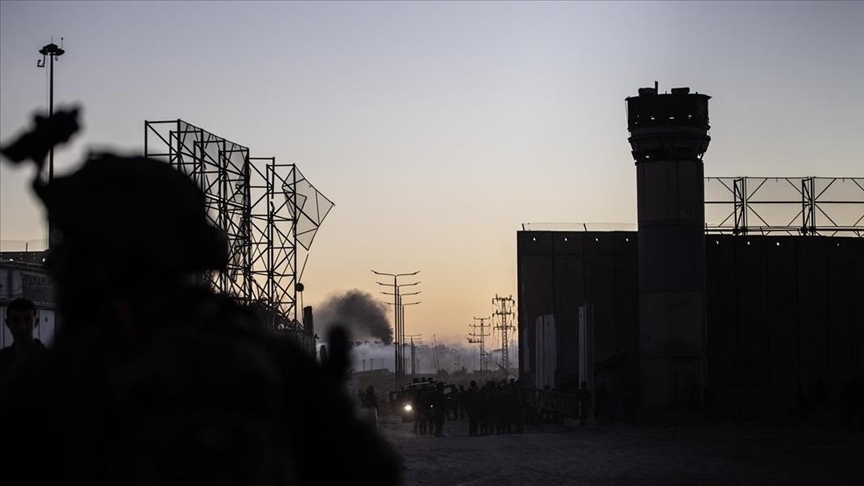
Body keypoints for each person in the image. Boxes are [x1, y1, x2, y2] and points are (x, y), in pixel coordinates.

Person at [0, 108, 402, 486]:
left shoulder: (64, 381)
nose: (57, 263)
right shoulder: (265, 360)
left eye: (75, 246)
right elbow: (370, 470)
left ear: (111, 257)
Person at [0, 298, 49, 377]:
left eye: (27, 320)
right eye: (16, 320)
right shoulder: (2, 359)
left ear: (36, 322)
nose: (22, 327)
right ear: (7, 323)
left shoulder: (50, 361)